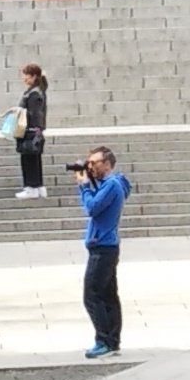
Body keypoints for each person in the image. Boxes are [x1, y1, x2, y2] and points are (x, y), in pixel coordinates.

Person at [76, 145, 132, 359]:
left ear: (107, 164)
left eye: (94, 163)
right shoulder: (111, 184)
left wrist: (84, 187)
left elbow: (92, 208)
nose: (90, 167)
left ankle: (104, 340)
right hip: (106, 245)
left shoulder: (110, 185)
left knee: (92, 295)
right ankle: (112, 340)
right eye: (89, 163)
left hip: (103, 247)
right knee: (108, 295)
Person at [14, 64, 49, 199]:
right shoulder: (39, 91)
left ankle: (31, 187)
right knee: (35, 159)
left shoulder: (34, 94)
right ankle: (38, 186)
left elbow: (34, 114)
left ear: (33, 76)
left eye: (25, 75)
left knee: (28, 159)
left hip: (30, 130)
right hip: (36, 130)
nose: (23, 78)